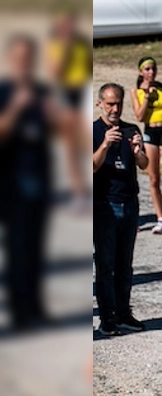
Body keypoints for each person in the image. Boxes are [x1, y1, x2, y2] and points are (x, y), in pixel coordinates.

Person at [0, 35, 56, 331]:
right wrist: (16, 108)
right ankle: (20, 312)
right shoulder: (5, 91)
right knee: (18, 247)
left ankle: (35, 307)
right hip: (13, 182)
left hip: (40, 178)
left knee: (37, 248)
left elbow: (55, 131)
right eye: (19, 58)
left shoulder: (41, 90)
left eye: (29, 58)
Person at [93, 83, 149, 337]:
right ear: (99, 103)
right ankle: (107, 318)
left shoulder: (131, 129)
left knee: (125, 263)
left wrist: (138, 152)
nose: (114, 108)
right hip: (105, 204)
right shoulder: (92, 131)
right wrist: (104, 145)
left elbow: (145, 164)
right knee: (106, 264)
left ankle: (124, 312)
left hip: (130, 203)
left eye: (118, 104)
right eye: (110, 103)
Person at [46, 11, 91, 210]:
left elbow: (89, 68)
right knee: (71, 148)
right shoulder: (55, 46)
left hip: (83, 91)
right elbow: (55, 72)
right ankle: (79, 192)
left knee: (89, 143)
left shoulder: (81, 44)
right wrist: (65, 49)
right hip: (67, 94)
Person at [132, 56, 162, 235]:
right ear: (141, 72)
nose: (151, 72)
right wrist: (146, 97)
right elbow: (139, 116)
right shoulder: (135, 91)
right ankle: (160, 218)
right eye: (148, 69)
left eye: (153, 69)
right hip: (150, 132)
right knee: (153, 178)